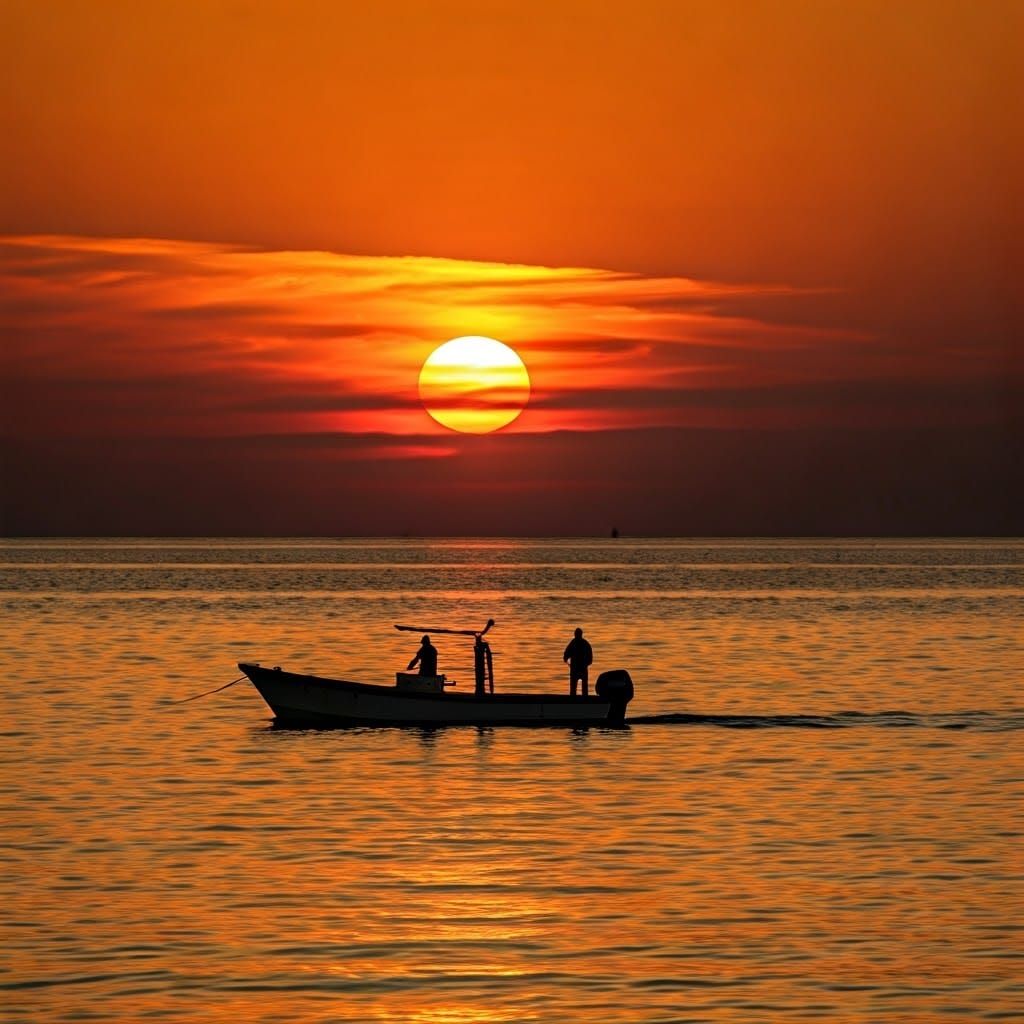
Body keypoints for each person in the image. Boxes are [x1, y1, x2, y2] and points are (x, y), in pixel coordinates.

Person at [563, 627, 593, 697]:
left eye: (577, 634)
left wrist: (566, 660)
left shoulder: (574, 643)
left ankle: (576, 702)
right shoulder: (585, 644)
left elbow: (565, 656)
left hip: (577, 669)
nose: (576, 636)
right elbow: (590, 660)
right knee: (578, 689)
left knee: (577, 689)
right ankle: (582, 702)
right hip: (579, 669)